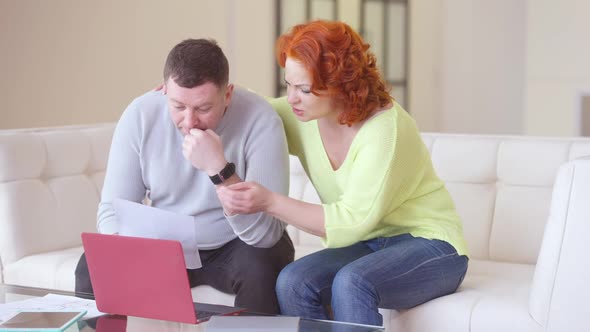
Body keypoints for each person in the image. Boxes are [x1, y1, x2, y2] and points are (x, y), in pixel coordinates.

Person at [216, 20, 469, 326]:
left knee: (353, 282)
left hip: (432, 245)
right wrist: (189, 93)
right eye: (288, 85)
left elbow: (351, 223)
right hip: (368, 246)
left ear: (341, 84)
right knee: (292, 281)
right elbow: (250, 110)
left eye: (304, 89)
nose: (292, 97)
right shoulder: (304, 114)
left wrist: (269, 201)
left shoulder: (384, 130)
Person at [75, 38, 294, 314]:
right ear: (164, 90)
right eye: (178, 106)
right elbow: (112, 212)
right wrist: (124, 255)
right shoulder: (140, 114)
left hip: (237, 245)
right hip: (165, 248)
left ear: (227, 95)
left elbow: (265, 234)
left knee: (264, 264)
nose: (189, 122)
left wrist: (220, 170)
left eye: (203, 109)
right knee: (92, 265)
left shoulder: (260, 119)